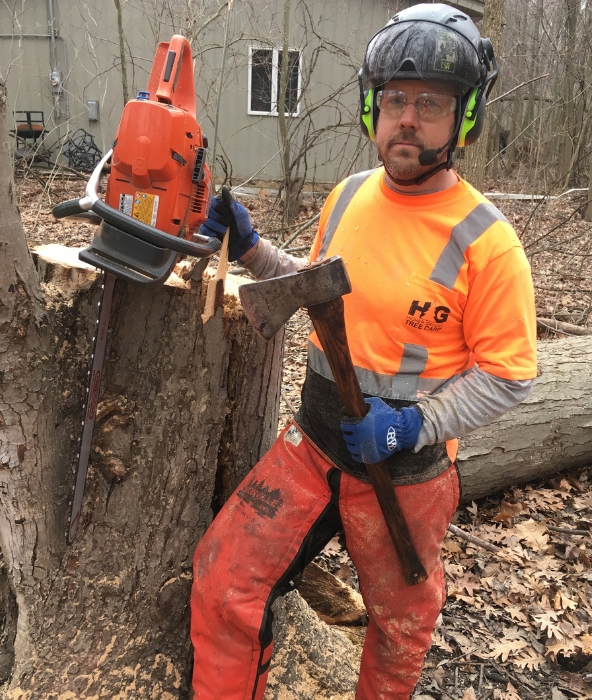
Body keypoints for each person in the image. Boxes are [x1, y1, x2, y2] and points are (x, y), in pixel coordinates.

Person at [190, 4, 537, 699]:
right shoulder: (347, 196)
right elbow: (319, 289)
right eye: (395, 100)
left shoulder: (487, 242)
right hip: (315, 442)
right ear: (370, 108)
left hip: (406, 473)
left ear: (463, 119)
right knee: (224, 578)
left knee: (398, 632)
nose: (408, 118)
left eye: (430, 104)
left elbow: (509, 376)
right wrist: (254, 251)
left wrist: (415, 424)